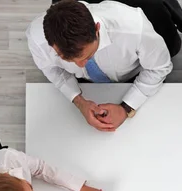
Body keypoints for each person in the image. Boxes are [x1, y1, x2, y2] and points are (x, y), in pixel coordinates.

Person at [26, 0, 173, 132]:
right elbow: (52, 70)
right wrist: (79, 102)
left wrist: (126, 108)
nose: (80, 65)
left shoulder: (133, 29)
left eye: (87, 56)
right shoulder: (37, 38)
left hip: (133, 77)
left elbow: (159, 68)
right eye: (68, 59)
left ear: (97, 29)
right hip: (88, 88)